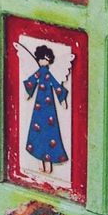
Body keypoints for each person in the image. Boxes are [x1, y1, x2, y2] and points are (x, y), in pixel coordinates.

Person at [23, 43, 70, 173]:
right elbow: (31, 81)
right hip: (39, 106)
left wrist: (62, 99)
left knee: (50, 134)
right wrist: (28, 93)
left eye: (46, 59)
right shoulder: (39, 73)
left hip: (48, 106)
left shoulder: (49, 75)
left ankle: (48, 166)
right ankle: (40, 165)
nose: (44, 61)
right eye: (42, 59)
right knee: (37, 135)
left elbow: (55, 85)